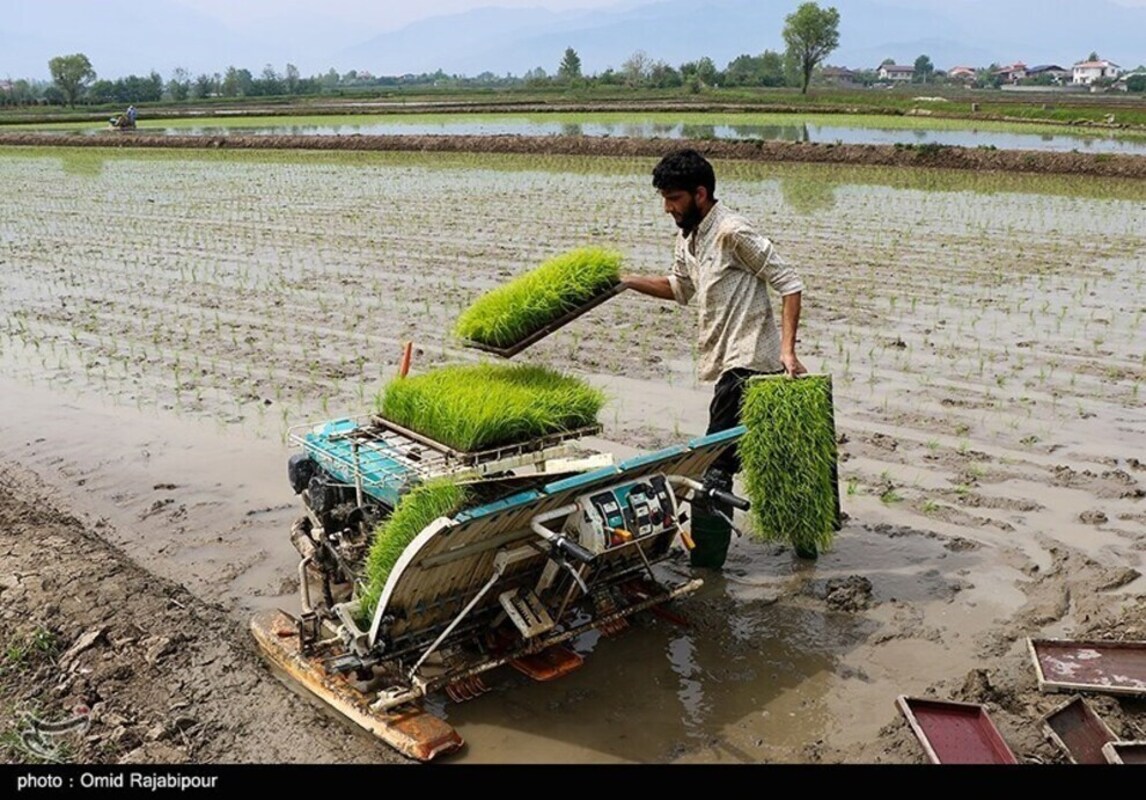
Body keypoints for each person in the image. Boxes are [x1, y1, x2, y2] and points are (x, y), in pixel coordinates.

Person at [621, 148, 806, 569]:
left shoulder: (732, 232)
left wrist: (787, 351)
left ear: (700, 194)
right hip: (726, 362)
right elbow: (679, 288)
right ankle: (803, 540)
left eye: (674, 199)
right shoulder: (687, 236)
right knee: (776, 461)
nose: (667, 208)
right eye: (664, 199)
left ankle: (707, 565)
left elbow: (790, 282)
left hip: (749, 364)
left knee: (714, 468)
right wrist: (627, 282)